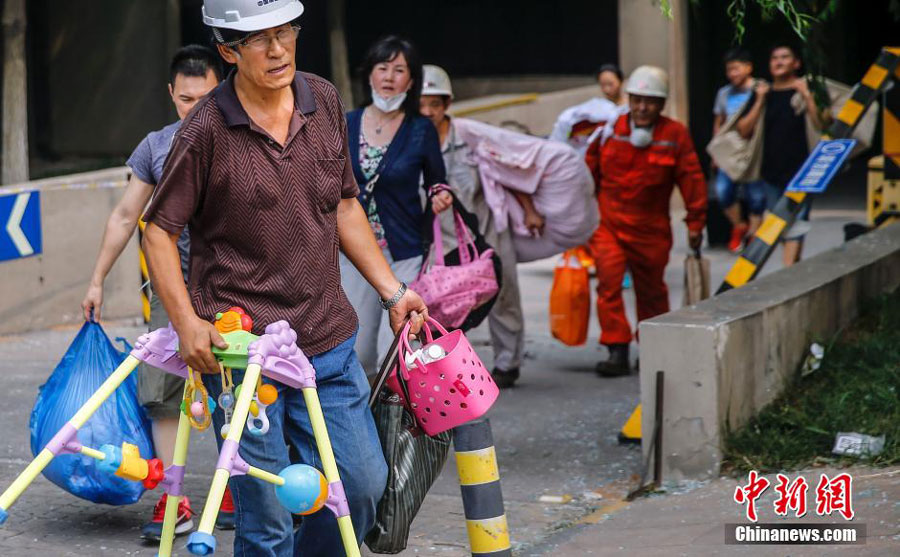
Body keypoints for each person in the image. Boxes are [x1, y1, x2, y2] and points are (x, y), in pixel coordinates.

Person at [141, 1, 428, 554]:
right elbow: (158, 230)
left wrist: (392, 290)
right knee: (267, 516)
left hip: (327, 339)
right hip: (247, 355)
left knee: (360, 489)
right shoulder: (204, 131)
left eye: (284, 34)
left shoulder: (322, 99)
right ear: (228, 51)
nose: (277, 50)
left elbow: (345, 205)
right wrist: (186, 323)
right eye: (258, 40)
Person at [80, 44, 227, 540]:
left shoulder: (240, 139)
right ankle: (176, 497)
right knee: (161, 392)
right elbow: (125, 216)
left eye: (206, 98)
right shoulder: (156, 147)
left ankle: (237, 487)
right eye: (187, 100)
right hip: (172, 286)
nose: (197, 109)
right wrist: (98, 278)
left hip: (234, 286)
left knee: (239, 390)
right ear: (171, 95)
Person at [419, 64, 538, 389]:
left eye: (435, 103)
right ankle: (449, 367)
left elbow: (506, 170)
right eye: (422, 104)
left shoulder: (470, 134)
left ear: (447, 104)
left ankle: (507, 363)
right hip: (442, 239)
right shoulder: (412, 138)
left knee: (503, 295)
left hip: (485, 230)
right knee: (445, 304)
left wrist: (528, 210)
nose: (428, 111)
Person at [586, 66, 707, 377]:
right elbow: (587, 173)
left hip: (651, 228)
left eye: (650, 101)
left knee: (651, 290)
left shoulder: (674, 135)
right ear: (628, 99)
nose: (642, 108)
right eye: (637, 100)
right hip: (609, 223)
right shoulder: (609, 130)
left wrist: (696, 222)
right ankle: (617, 349)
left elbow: (691, 178)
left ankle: (652, 348)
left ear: (662, 104)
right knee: (609, 284)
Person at [341, 37, 452, 376]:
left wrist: (439, 194)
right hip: (353, 250)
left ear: (412, 80)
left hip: (403, 249)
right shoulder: (347, 122)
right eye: (382, 67)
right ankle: (362, 421)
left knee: (397, 345)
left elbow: (437, 178)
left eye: (399, 69)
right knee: (357, 347)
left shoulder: (420, 129)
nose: (389, 76)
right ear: (369, 75)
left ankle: (397, 425)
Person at [736, 43, 824, 266]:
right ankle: (793, 270)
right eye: (774, 58)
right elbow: (743, 130)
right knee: (785, 225)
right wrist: (759, 100)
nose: (779, 61)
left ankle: (788, 274)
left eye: (785, 57)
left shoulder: (804, 91)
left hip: (803, 172)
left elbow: (821, 124)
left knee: (796, 224)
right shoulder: (763, 93)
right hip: (770, 173)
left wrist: (807, 94)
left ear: (796, 63)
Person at [711, 47, 767, 253]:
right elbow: (719, 122)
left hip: (753, 149)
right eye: (729, 70)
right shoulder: (724, 93)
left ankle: (753, 234)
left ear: (748, 67)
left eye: (735, 69)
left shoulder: (760, 89)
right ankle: (739, 226)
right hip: (730, 149)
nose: (732, 74)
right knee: (723, 191)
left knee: (756, 195)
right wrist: (716, 151)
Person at [549, 65, 621, 155]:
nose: (607, 89)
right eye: (603, 85)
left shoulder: (628, 106)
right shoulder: (599, 105)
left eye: (610, 84)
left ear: (620, 81)